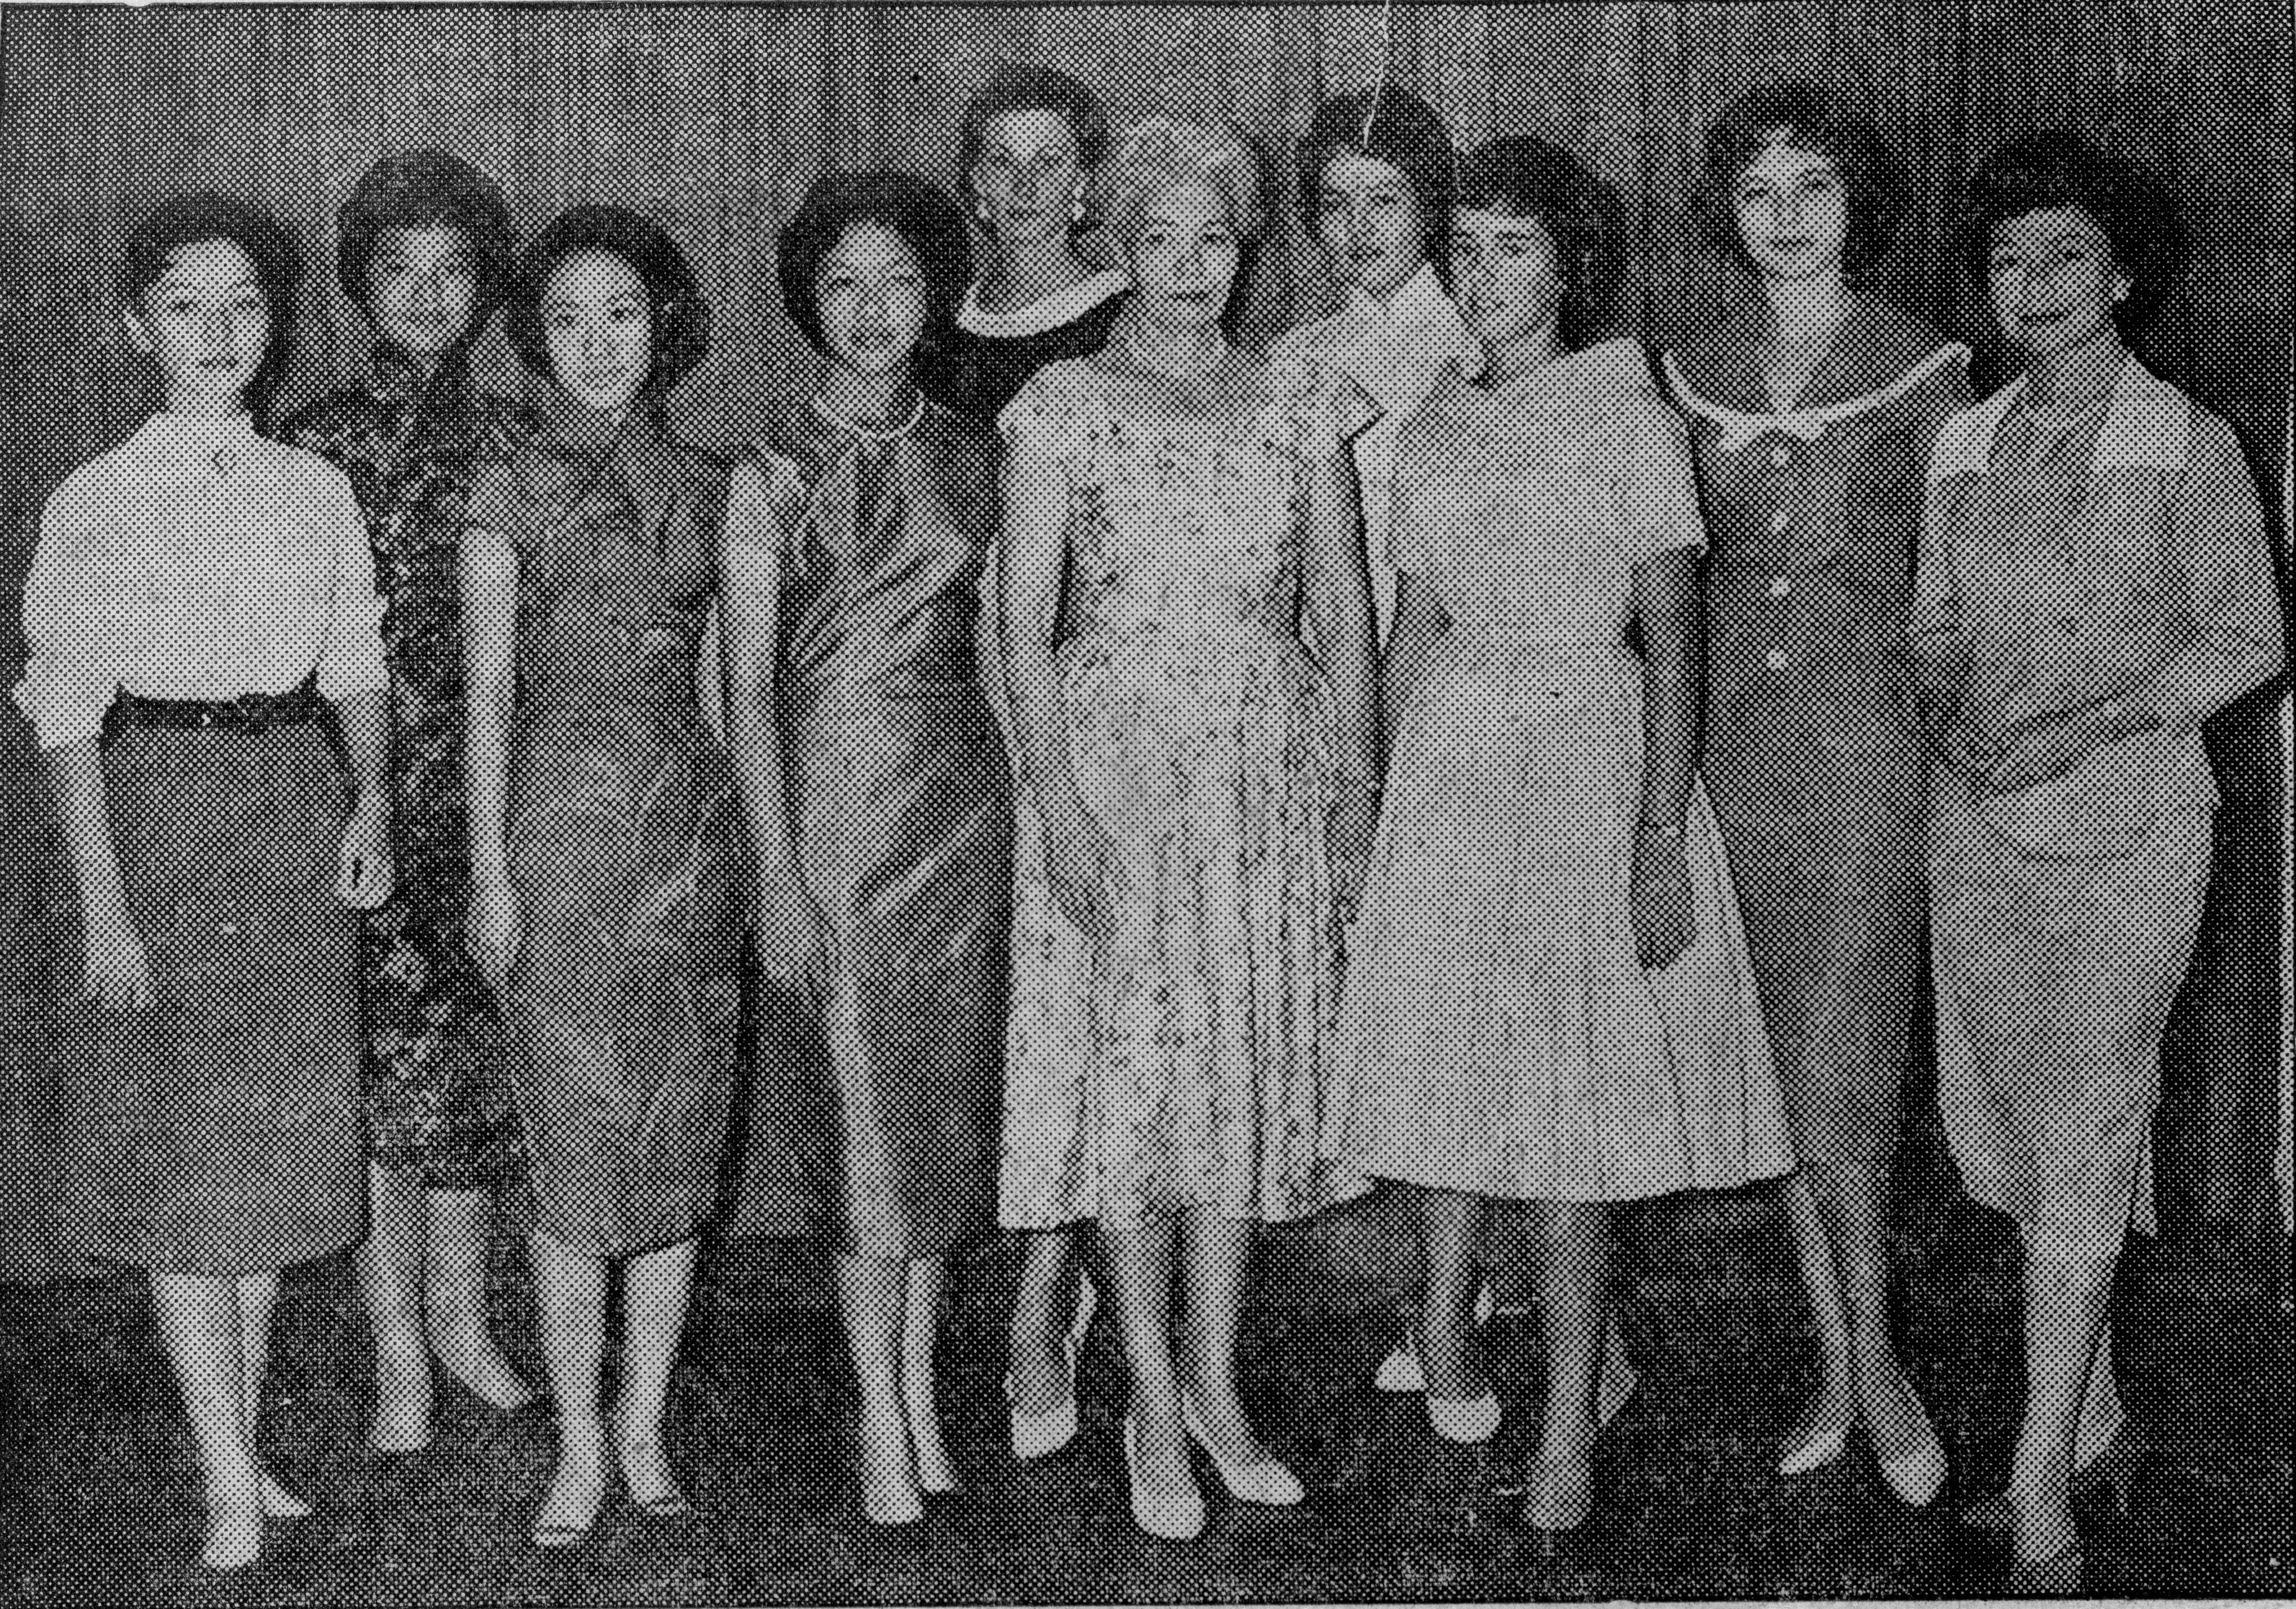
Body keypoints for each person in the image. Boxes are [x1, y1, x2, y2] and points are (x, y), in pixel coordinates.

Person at [1331, 136, 1795, 1544]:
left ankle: (1565, 1420)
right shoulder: (1427, 422)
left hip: (1588, 758)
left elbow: (1673, 636)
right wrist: (1368, 805)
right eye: (1464, 249)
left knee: (1574, 1114)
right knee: (1455, 1081)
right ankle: (1454, 1333)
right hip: (1458, 768)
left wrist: (1658, 832)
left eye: (1512, 248)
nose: (1483, 276)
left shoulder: (1622, 406)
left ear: (1566, 263)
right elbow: (1410, 635)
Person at [999, 115, 1378, 1540]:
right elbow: (1021, 629)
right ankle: (1147, 1400)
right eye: (1157, 239)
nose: (1187, 267)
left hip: (1262, 772)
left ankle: (1217, 1387)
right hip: (1116, 771)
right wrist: (1061, 808)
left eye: (1212, 240)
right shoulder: (1062, 402)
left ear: (1242, 250)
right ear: (1117, 247)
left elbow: (1340, 609)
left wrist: (1355, 790)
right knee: (1129, 1091)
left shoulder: (1298, 394)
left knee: (1234, 1079)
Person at [1915, 133, 2284, 1592]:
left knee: (2087, 1118)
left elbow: (2250, 637)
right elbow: (1931, 622)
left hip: (2132, 827)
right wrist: (1950, 714)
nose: (2035, 283)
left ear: (2125, 272)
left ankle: (2038, 1477)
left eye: (2067, 254)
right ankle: (2102, 1411)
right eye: (2009, 260)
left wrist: (2092, 724)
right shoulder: (1963, 437)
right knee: (2009, 1138)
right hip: (1983, 830)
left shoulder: (2187, 439)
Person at [16, 193, 395, 1572]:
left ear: (274, 324)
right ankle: (224, 1471)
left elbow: (355, 659)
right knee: (191, 1168)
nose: (221, 331)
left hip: (292, 805)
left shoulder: (316, 488)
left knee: (274, 1164)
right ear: (138, 326)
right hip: (162, 821)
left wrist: (375, 802)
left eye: (244, 305)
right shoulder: (96, 498)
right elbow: (65, 715)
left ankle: (251, 1438)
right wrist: (108, 910)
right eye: (188, 306)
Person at [1661, 85, 1966, 1504]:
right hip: (1729, 762)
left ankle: (1879, 1367)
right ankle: (1841, 1365)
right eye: (1757, 192)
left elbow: (1951, 602)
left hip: (1860, 764)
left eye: (1813, 190)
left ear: (1859, 209)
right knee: (1778, 1078)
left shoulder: (1926, 367)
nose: (1783, 219)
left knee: (1848, 1075)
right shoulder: (1682, 367)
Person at [723, 171, 1014, 1528]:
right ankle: (878, 1414)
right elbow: (743, 692)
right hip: (831, 819)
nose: (871, 306)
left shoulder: (982, 449)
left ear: (932, 293)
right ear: (808, 301)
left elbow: (1012, 652)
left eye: (896, 278)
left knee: (939, 1122)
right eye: (842, 282)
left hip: (958, 814)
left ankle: (920, 1382)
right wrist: (777, 876)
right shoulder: (768, 464)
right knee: (861, 1131)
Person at [461, 204, 745, 1547]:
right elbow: (484, 701)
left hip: (684, 843)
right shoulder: (503, 482)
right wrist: (488, 876)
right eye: (566, 319)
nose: (595, 343)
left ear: (664, 325)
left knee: (677, 1138)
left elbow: (724, 690)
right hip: (556, 840)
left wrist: (745, 854)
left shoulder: (716, 481)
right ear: (534, 338)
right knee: (572, 1142)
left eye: (620, 313)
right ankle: (576, 1438)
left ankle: (645, 1427)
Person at [279, 150, 536, 1451]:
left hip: (491, 784)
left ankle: (464, 1318)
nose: (428, 296)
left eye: (454, 271)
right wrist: (348, 787)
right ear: (359, 287)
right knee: (379, 1078)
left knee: (477, 1069)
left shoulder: (519, 435)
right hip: (358, 788)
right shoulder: (309, 438)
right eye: (400, 270)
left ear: (488, 287)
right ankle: (395, 1353)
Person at [913, 63, 1123, 1465]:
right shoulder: (924, 337)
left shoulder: (1134, 313)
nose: (1030, 185)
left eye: (1056, 161)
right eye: (1005, 161)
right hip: (942, 716)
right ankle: (979, 1289)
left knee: (1085, 1005)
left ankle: (1051, 1294)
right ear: (976, 185)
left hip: (1090, 704)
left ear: (1087, 180)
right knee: (983, 1020)